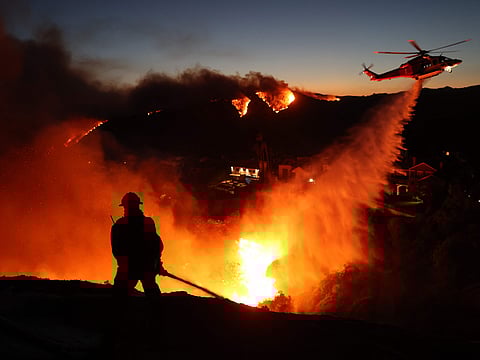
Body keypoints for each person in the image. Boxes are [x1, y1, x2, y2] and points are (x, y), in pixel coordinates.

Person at [111, 192, 167, 297]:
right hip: (145, 267)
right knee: (153, 296)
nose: (125, 210)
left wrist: (157, 264)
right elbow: (157, 246)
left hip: (129, 269)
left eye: (126, 207)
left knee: (118, 298)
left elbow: (116, 250)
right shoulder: (147, 222)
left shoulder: (119, 225)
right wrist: (156, 263)